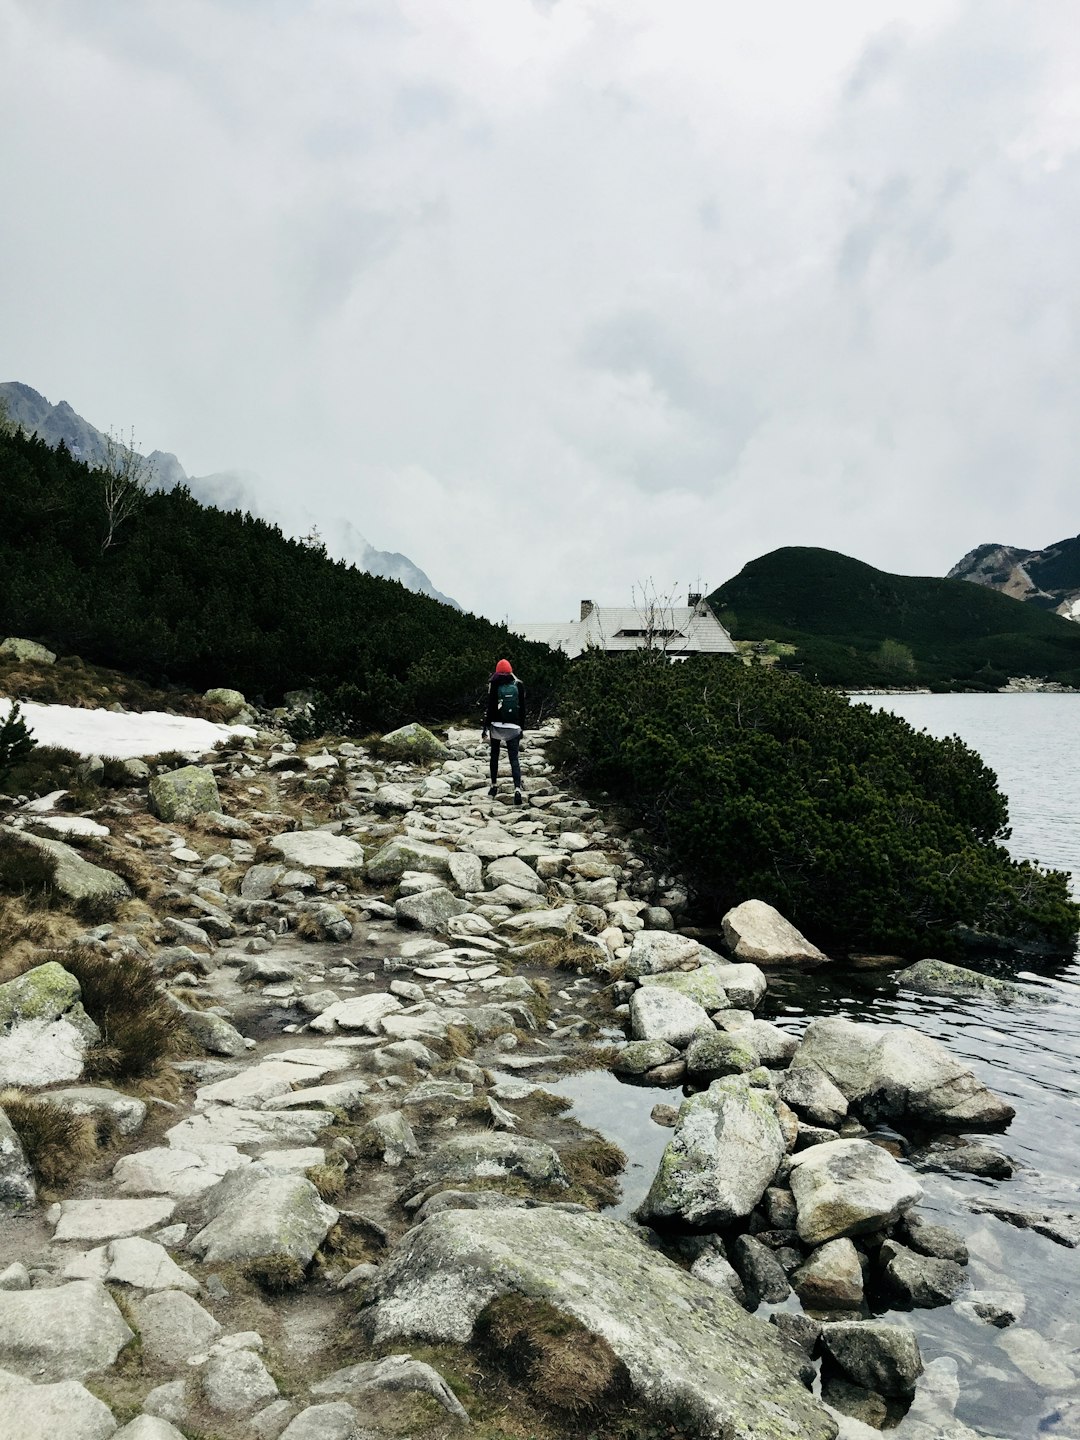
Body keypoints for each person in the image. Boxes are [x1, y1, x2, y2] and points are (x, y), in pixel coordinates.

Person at [481, 658, 526, 804]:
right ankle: (517, 789)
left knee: (495, 755)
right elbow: (523, 709)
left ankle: (494, 786)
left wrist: (485, 728)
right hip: (513, 727)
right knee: (514, 758)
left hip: (496, 726)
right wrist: (521, 728)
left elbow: (490, 708)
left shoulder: (494, 685)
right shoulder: (518, 685)